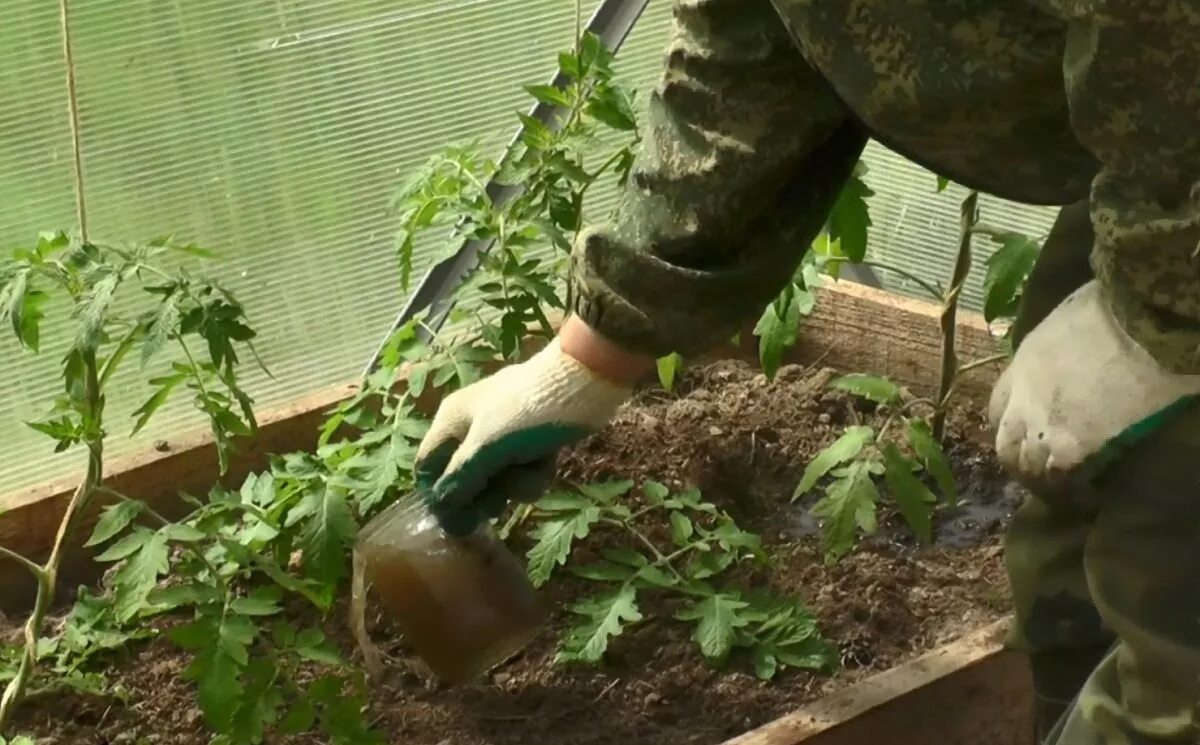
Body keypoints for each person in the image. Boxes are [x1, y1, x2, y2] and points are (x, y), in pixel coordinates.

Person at [413, 2, 1200, 743]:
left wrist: (1162, 320)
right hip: (1163, 149)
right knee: (1073, 528)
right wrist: (584, 358)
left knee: (1173, 587)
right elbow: (756, 51)